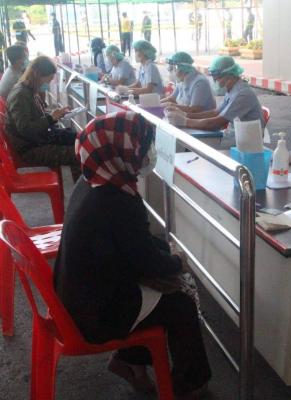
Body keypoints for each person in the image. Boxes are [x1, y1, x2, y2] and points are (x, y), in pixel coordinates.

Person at [53, 111, 211, 399]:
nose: (147, 154)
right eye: (142, 146)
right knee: (181, 303)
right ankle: (190, 384)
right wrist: (177, 260)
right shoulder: (117, 200)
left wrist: (165, 252)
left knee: (157, 291)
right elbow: (147, 262)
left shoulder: (93, 181)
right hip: (95, 317)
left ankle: (131, 363)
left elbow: (133, 244)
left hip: (75, 299)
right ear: (119, 150)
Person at [5, 56, 80, 181]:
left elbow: (35, 116)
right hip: (30, 149)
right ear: (38, 75)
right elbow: (25, 129)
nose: (48, 84)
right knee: (80, 152)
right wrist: (51, 118)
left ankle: (81, 186)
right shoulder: (20, 95)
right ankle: (79, 190)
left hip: (39, 139)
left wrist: (54, 114)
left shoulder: (29, 90)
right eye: (48, 79)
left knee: (79, 138)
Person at [165, 56, 264, 133]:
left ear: (229, 75)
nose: (216, 82)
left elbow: (216, 122)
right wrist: (185, 115)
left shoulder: (242, 94)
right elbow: (216, 112)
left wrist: (185, 121)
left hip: (248, 141)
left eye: (217, 79)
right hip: (238, 134)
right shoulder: (232, 90)